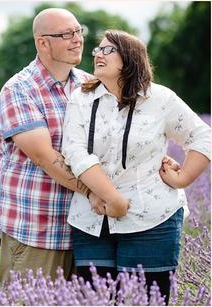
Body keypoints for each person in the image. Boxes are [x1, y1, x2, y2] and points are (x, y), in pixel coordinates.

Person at [62, 29, 211, 304]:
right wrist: (113, 198)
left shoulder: (160, 99)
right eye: (97, 50)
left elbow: (203, 136)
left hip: (152, 219)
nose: (97, 54)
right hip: (92, 219)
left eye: (108, 50)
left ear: (130, 58)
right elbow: (74, 151)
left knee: (145, 300)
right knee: (95, 301)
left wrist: (183, 178)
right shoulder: (81, 99)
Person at [0, 8, 95, 284]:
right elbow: (45, 157)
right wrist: (99, 193)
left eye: (78, 31)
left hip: (86, 230)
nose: (77, 39)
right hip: (37, 228)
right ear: (43, 42)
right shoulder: (20, 89)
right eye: (66, 34)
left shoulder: (90, 85)